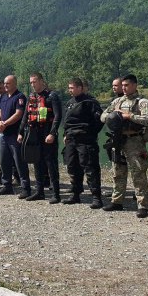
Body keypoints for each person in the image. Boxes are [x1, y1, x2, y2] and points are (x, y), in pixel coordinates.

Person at [101, 74, 148, 218]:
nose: (123, 88)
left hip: (134, 141)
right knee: (117, 171)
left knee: (138, 173)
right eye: (122, 86)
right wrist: (114, 116)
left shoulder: (141, 102)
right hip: (118, 139)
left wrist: (129, 116)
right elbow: (103, 116)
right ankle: (117, 201)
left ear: (135, 85)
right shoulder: (117, 101)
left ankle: (142, 205)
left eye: (127, 85)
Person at [18, 73, 62, 203]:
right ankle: (39, 192)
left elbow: (57, 116)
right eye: (31, 82)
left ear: (42, 81)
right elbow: (25, 116)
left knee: (51, 163)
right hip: (34, 134)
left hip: (47, 133)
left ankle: (56, 194)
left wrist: (52, 133)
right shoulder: (31, 97)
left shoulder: (52, 96)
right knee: (37, 162)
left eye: (35, 82)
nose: (32, 84)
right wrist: (20, 132)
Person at [62, 78, 104, 208]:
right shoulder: (69, 103)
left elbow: (99, 121)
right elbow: (66, 122)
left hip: (85, 139)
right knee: (72, 166)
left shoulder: (90, 102)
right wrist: (65, 134)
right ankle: (75, 194)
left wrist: (90, 134)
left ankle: (96, 197)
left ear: (80, 88)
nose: (70, 90)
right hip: (71, 139)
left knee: (90, 167)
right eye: (69, 88)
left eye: (72, 88)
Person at [0, 75, 31, 197]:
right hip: (4, 135)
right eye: (4, 83)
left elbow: (18, 114)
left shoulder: (19, 97)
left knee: (19, 162)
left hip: (15, 135)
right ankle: (7, 186)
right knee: (4, 162)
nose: (5, 86)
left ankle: (26, 188)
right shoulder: (4, 97)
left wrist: (5, 123)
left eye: (7, 84)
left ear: (14, 83)